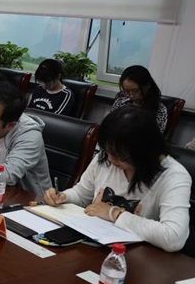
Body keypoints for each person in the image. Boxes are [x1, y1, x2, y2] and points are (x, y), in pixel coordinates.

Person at [44, 106, 190, 252]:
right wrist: (63, 197)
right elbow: (82, 194)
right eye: (107, 151)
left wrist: (114, 213)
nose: (109, 158)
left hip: (136, 255)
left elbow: (174, 238)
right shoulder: (106, 158)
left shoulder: (174, 176)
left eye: (118, 155)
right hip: (94, 245)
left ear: (143, 151)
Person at [109, 65, 167, 134]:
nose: (131, 95)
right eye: (127, 91)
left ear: (148, 85)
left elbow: (155, 137)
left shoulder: (159, 110)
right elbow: (109, 124)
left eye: (135, 90)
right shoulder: (120, 102)